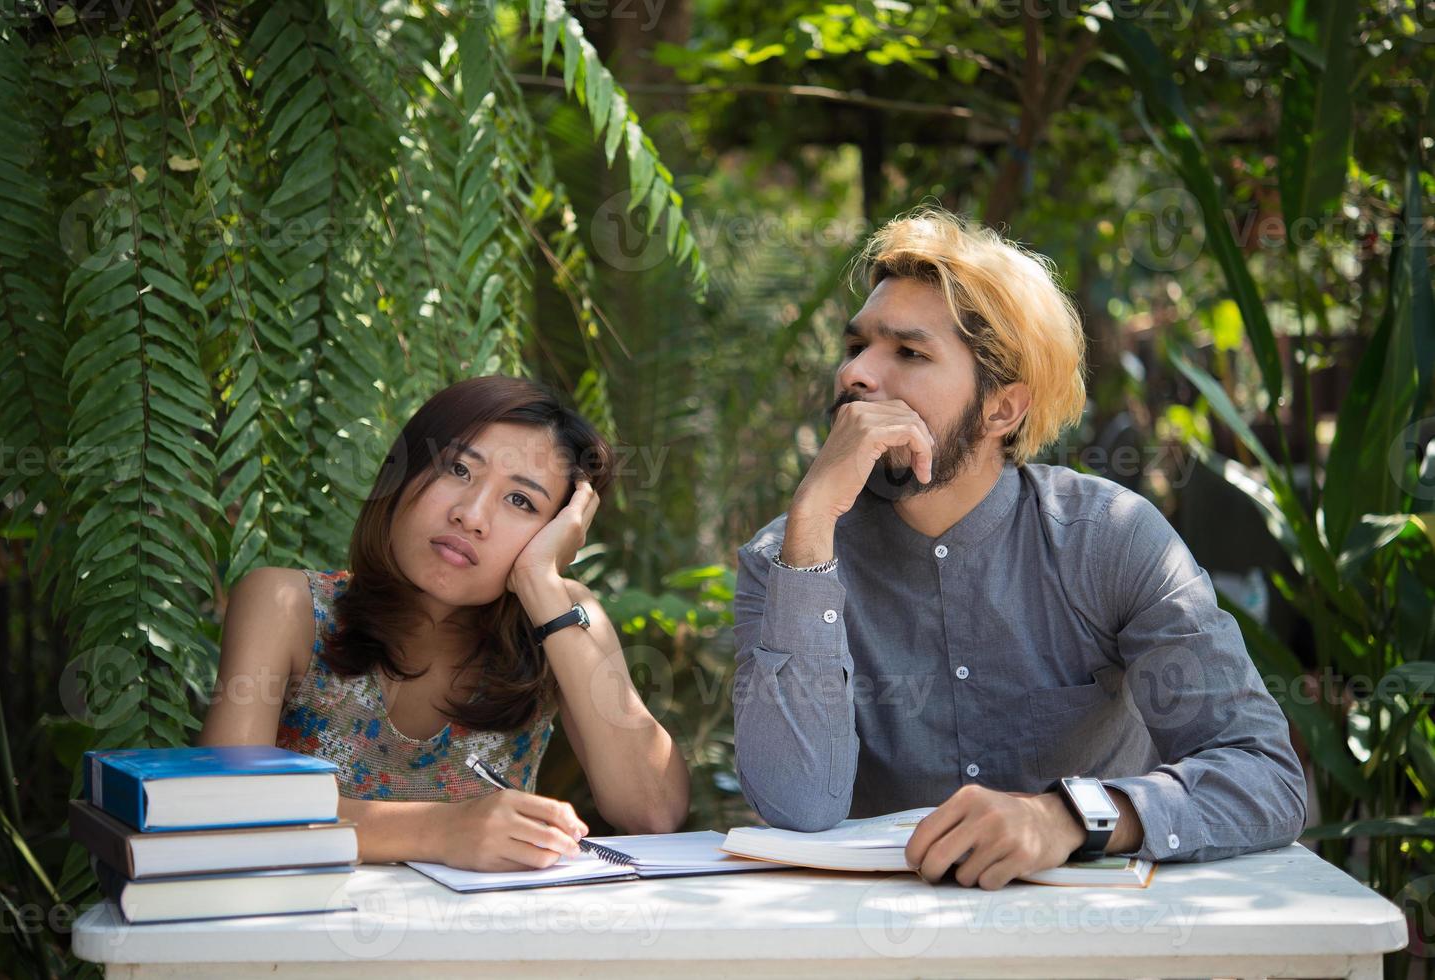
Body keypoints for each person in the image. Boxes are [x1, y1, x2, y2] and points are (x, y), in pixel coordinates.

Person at [731, 207, 1306, 890]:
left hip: (1098, 944)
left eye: (908, 353)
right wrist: (811, 526)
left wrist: (1070, 818)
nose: (856, 373)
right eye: (856, 346)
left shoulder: (1109, 539)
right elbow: (797, 808)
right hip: (882, 946)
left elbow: (1261, 774)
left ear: (1002, 410)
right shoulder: (789, 554)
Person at [201, 376, 690, 871]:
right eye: (457, 469)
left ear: (557, 532)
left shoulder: (560, 622)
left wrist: (542, 585)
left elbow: (653, 811)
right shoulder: (286, 605)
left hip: (484, 944)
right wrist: (440, 830)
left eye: (521, 501)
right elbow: (223, 810)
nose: (471, 516)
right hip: (290, 938)